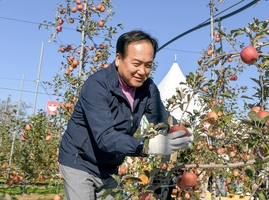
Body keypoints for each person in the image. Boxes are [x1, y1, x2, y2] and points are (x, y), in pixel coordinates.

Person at [58, 29, 193, 200]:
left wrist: (179, 130)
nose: (142, 71)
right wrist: (146, 147)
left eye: (148, 65)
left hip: (110, 166)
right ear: (118, 59)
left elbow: (160, 118)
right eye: (136, 64)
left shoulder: (148, 89)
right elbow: (105, 137)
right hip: (80, 161)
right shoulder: (97, 86)